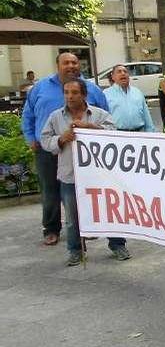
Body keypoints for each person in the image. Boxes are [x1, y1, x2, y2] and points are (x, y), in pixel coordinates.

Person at [21, 52, 108, 246]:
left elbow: (106, 115)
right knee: (50, 191)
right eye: (66, 62)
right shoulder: (40, 88)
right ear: (57, 65)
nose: (71, 66)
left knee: (85, 191)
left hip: (84, 152)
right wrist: (30, 137)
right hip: (49, 147)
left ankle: (86, 227)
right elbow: (27, 115)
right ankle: (51, 229)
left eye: (74, 62)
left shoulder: (92, 89)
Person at [39, 79, 128, 265]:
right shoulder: (56, 117)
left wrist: (91, 128)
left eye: (74, 93)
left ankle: (117, 244)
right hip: (70, 176)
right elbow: (45, 140)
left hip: (100, 176)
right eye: (66, 92)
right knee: (72, 217)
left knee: (109, 211)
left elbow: (114, 133)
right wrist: (61, 139)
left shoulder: (99, 114)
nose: (70, 96)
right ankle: (76, 250)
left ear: (84, 95)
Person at [104, 65, 156, 132]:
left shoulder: (137, 92)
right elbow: (104, 118)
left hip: (139, 133)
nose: (123, 73)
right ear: (113, 77)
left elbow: (146, 115)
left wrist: (150, 132)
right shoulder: (106, 94)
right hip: (118, 135)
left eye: (125, 71)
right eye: (119, 72)